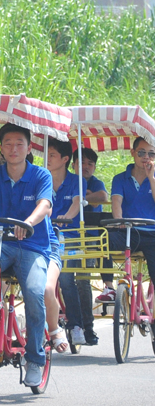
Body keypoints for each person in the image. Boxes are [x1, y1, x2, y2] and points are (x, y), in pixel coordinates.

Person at [0, 123, 52, 389]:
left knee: (35, 292)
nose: (13, 149)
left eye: (19, 143)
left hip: (34, 246)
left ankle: (36, 359)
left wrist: (27, 222)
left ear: (29, 148)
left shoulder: (41, 175)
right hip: (1, 243)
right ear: (2, 148)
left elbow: (45, 205)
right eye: (8, 143)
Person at [46, 138, 88, 348]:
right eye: (45, 155)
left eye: (51, 155)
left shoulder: (77, 181)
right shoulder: (40, 178)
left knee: (66, 279)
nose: (47, 159)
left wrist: (65, 218)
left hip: (69, 237)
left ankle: (76, 325)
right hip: (45, 236)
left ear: (64, 159)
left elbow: (76, 203)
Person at [106, 137, 155, 294]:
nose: (146, 157)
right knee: (103, 241)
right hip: (128, 232)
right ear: (133, 153)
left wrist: (151, 178)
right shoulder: (120, 178)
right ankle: (108, 287)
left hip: (152, 234)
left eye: (151, 153)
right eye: (141, 152)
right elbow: (116, 203)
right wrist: (119, 221)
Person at [71, 147, 104, 345]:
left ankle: (88, 327)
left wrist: (82, 199)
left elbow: (101, 196)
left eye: (90, 164)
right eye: (81, 163)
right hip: (68, 235)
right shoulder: (67, 181)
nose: (85, 167)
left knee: (83, 280)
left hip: (89, 237)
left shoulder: (95, 183)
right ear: (73, 164)